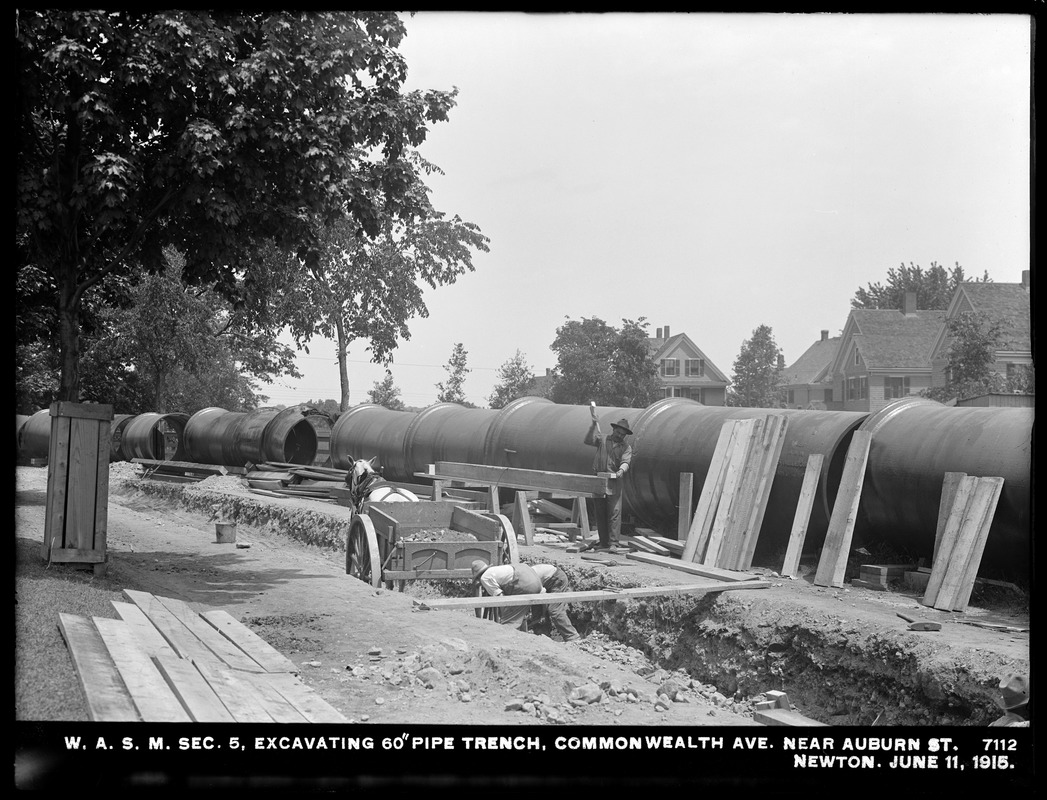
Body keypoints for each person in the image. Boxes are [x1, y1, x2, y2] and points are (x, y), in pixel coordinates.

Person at [582, 403, 633, 552]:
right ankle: (604, 542)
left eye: (623, 434)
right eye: (618, 432)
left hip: (614, 482)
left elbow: (626, 462)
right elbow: (587, 440)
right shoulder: (602, 440)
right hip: (598, 480)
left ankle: (613, 543)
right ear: (614, 430)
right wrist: (593, 424)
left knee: (614, 513)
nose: (620, 436)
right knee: (600, 511)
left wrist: (621, 471)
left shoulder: (626, 448)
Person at [471, 559, 544, 631]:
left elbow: (501, 598)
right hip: (534, 579)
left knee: (510, 621)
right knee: (520, 613)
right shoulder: (495, 570)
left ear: (478, 577)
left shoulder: (485, 578)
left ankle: (510, 637)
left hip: (524, 584)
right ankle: (523, 634)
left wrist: (505, 614)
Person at [530, 562, 581, 642]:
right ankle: (542, 636)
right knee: (536, 608)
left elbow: (542, 596)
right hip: (546, 580)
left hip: (557, 579)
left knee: (554, 610)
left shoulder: (527, 581)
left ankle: (572, 637)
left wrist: (543, 614)